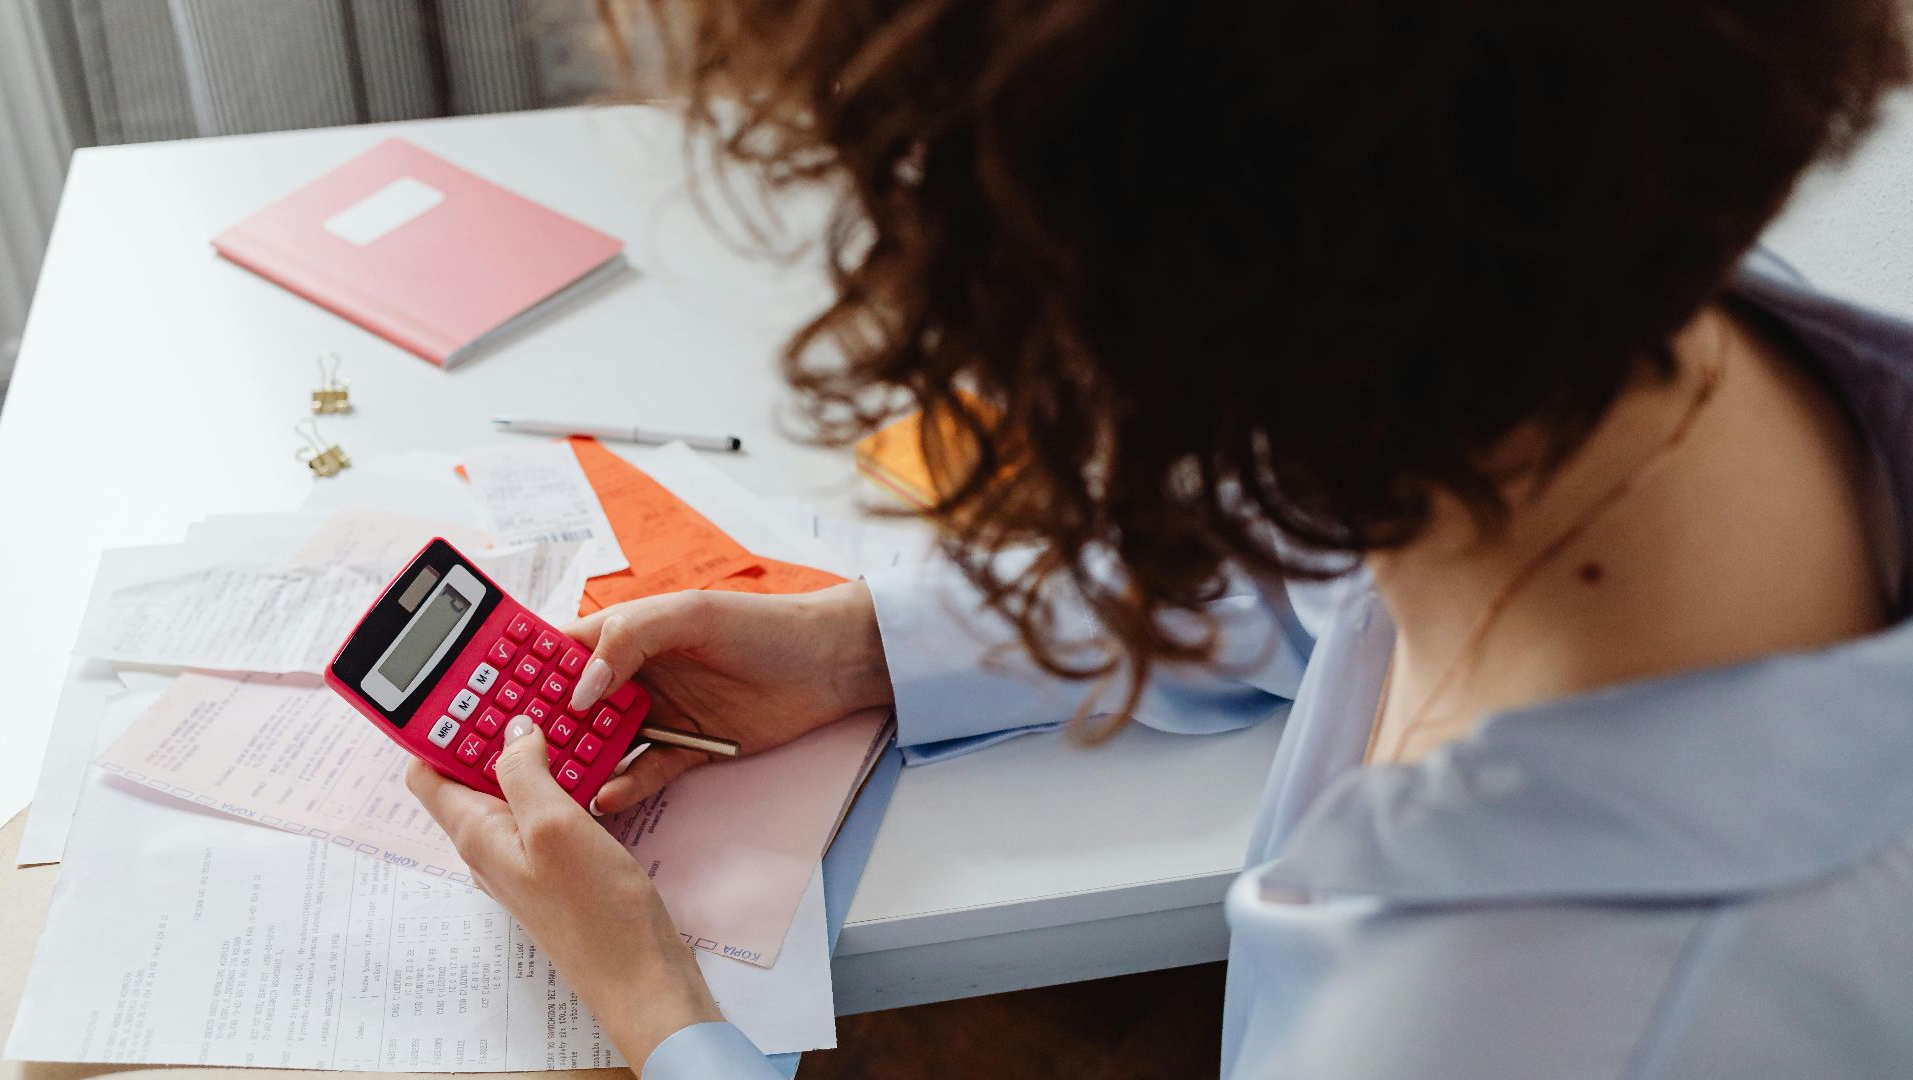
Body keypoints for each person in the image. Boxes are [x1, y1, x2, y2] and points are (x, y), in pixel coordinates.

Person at [405, 2, 1913, 1075]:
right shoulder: (1591, 316)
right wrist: (869, 646)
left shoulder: (1518, 1018)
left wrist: (665, 1022)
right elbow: (1315, 553)